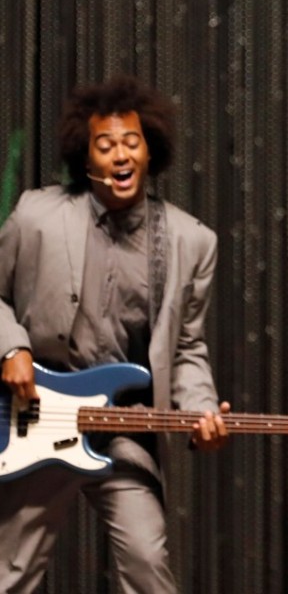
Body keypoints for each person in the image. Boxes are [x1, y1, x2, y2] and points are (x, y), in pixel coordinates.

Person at [0, 75, 230, 593]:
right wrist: (10, 346)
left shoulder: (191, 241)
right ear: (87, 159)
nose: (121, 155)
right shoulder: (36, 215)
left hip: (125, 426)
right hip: (36, 418)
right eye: (106, 145)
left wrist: (203, 408)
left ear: (151, 152)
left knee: (148, 564)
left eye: (132, 142)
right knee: (11, 574)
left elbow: (188, 345)